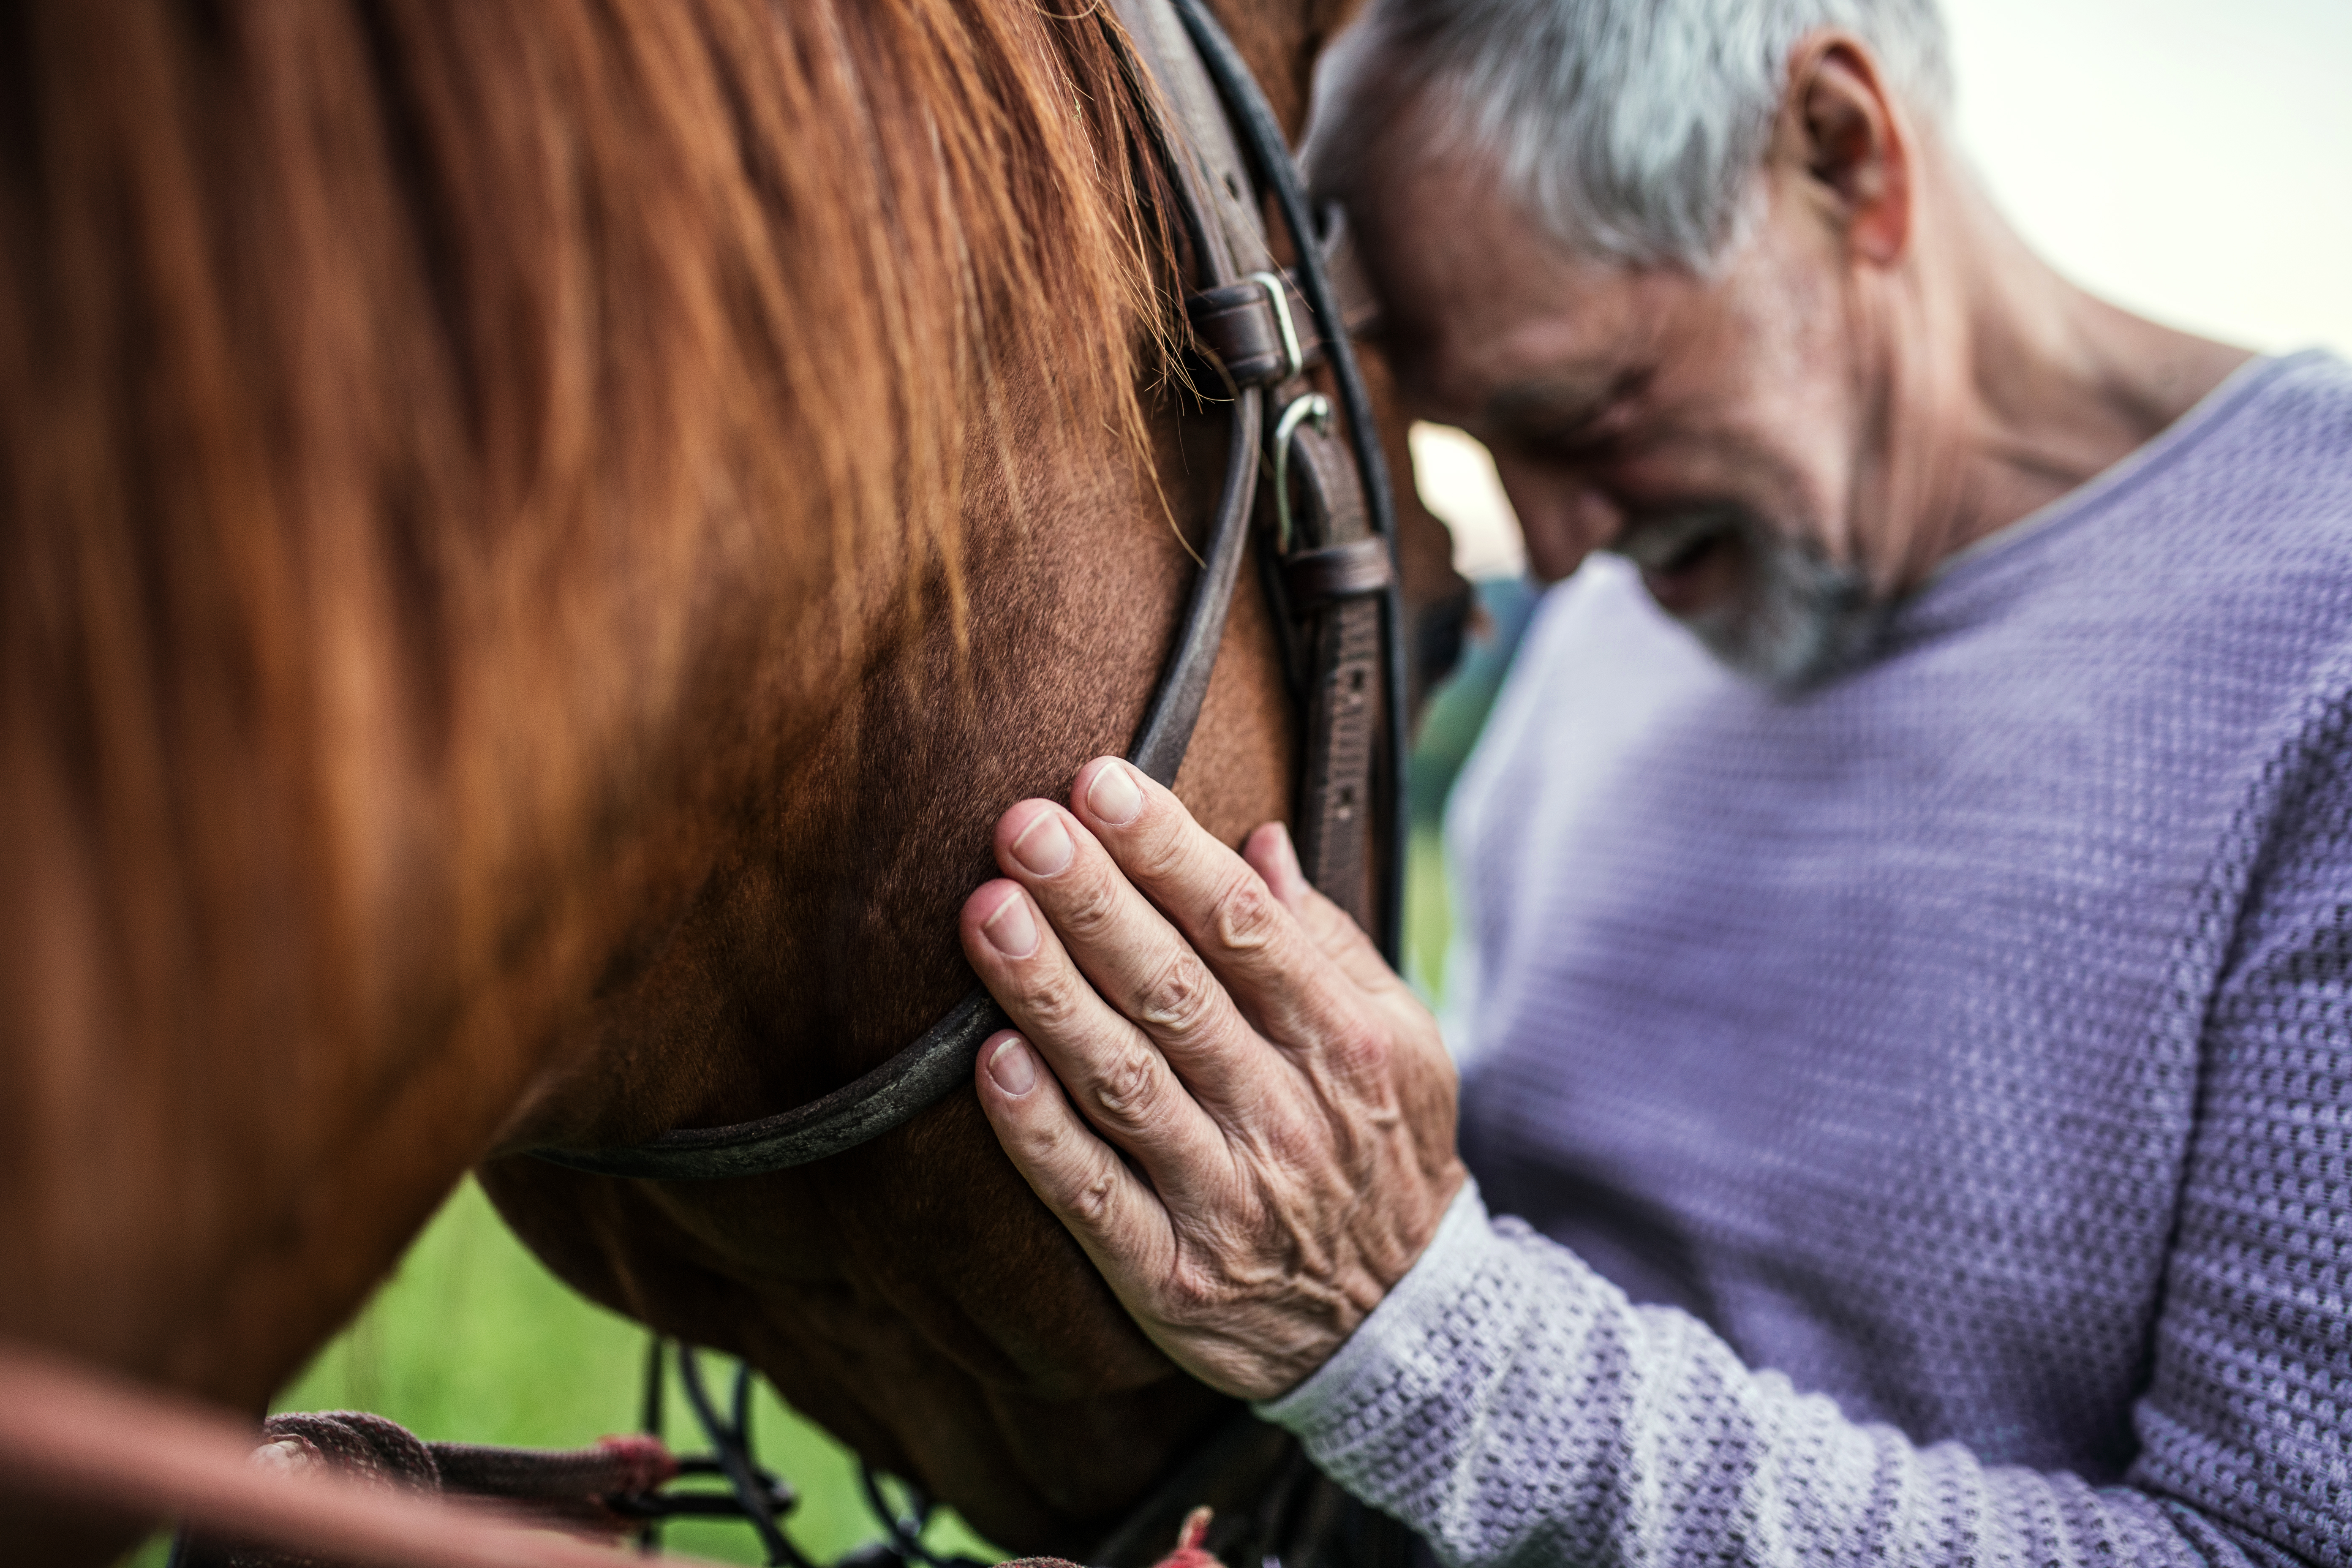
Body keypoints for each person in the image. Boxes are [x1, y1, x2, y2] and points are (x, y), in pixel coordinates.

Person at [952, 0, 2352, 1562]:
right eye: (1489, 452)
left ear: (1841, 151)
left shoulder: (2323, 646)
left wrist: (1413, 1335)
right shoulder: (1638, 610)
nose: (1558, 551)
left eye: (1584, 414)